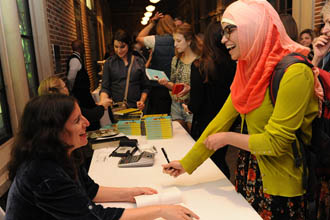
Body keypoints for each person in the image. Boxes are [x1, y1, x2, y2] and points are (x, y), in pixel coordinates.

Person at [163, 0, 320, 219]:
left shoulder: (294, 73)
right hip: (250, 174)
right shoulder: (248, 69)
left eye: (230, 31)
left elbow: (276, 142)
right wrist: (186, 163)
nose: (223, 39)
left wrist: (227, 138)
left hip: (282, 186)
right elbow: (220, 121)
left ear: (253, 28)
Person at [5, 94, 199, 220]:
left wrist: (132, 192)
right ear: (53, 132)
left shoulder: (63, 152)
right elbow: (94, 217)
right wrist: (161, 210)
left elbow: (90, 190)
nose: (87, 123)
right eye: (77, 120)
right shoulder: (43, 174)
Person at [186, 21, 236, 178]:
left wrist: (188, 106)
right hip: (227, 121)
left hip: (205, 123)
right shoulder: (234, 64)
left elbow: (196, 103)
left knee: (207, 164)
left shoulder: (199, 65)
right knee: (220, 160)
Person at [159, 23, 202, 133]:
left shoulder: (200, 61)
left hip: (192, 106)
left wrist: (190, 89)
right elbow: (174, 85)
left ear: (188, 41)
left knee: (193, 140)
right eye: (174, 40)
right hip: (176, 105)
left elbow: (203, 88)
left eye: (178, 41)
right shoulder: (175, 60)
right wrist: (166, 83)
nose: (175, 44)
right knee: (180, 140)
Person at [100, 29, 150, 111]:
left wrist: (142, 101)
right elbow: (105, 87)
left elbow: (145, 86)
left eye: (122, 47)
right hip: (117, 110)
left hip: (136, 109)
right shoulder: (109, 63)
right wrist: (103, 100)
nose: (119, 51)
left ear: (129, 45)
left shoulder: (138, 61)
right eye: (116, 47)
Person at [136, 12, 175, 114]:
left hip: (158, 86)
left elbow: (139, 38)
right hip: (175, 85)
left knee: (160, 117)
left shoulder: (154, 40)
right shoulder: (178, 39)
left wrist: (152, 23)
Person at [312, 1, 330, 219]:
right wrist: (316, 57)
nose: (325, 30)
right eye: (325, 22)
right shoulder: (326, 54)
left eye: (329, 23)